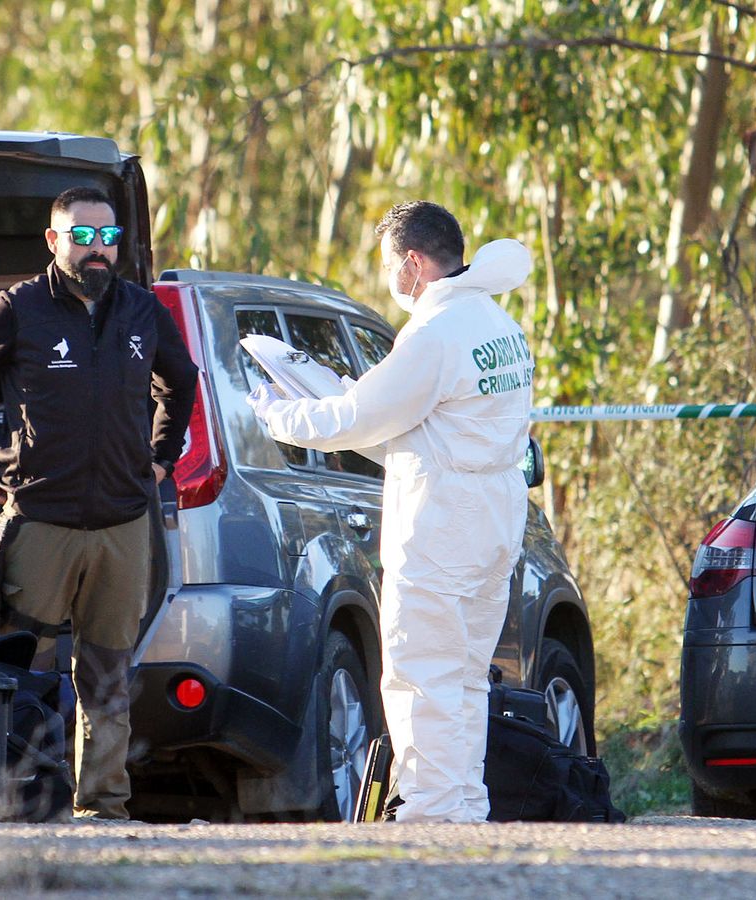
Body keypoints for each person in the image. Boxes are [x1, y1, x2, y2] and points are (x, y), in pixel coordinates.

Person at [247, 201, 536, 824]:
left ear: (413, 263)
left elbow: (357, 420)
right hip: (492, 519)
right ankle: (462, 802)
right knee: (462, 674)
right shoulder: (496, 323)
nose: (389, 281)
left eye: (388, 266)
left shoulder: (435, 333)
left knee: (419, 667)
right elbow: (410, 425)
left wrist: (278, 412)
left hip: (442, 522)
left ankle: (432, 814)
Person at [0, 185, 198, 820]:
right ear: (55, 241)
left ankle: (101, 805)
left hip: (122, 523)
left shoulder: (140, 309)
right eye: (83, 236)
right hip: (38, 521)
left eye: (107, 237)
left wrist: (161, 459)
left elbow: (180, 380)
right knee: (14, 665)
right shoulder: (18, 309)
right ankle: (2, 803)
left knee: (107, 673)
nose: (97, 248)